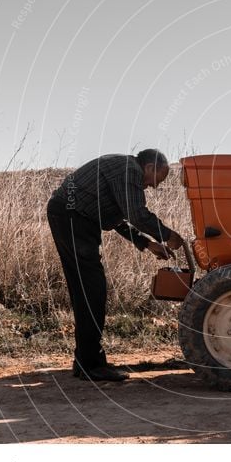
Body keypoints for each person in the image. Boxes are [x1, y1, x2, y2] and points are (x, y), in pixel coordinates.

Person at [46, 148, 184, 382]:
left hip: (70, 218)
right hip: (73, 219)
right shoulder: (129, 170)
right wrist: (168, 235)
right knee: (92, 290)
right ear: (149, 167)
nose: (154, 187)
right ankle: (91, 365)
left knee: (87, 290)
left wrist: (147, 244)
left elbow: (117, 219)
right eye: (157, 179)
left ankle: (85, 361)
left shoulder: (122, 169)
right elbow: (137, 214)